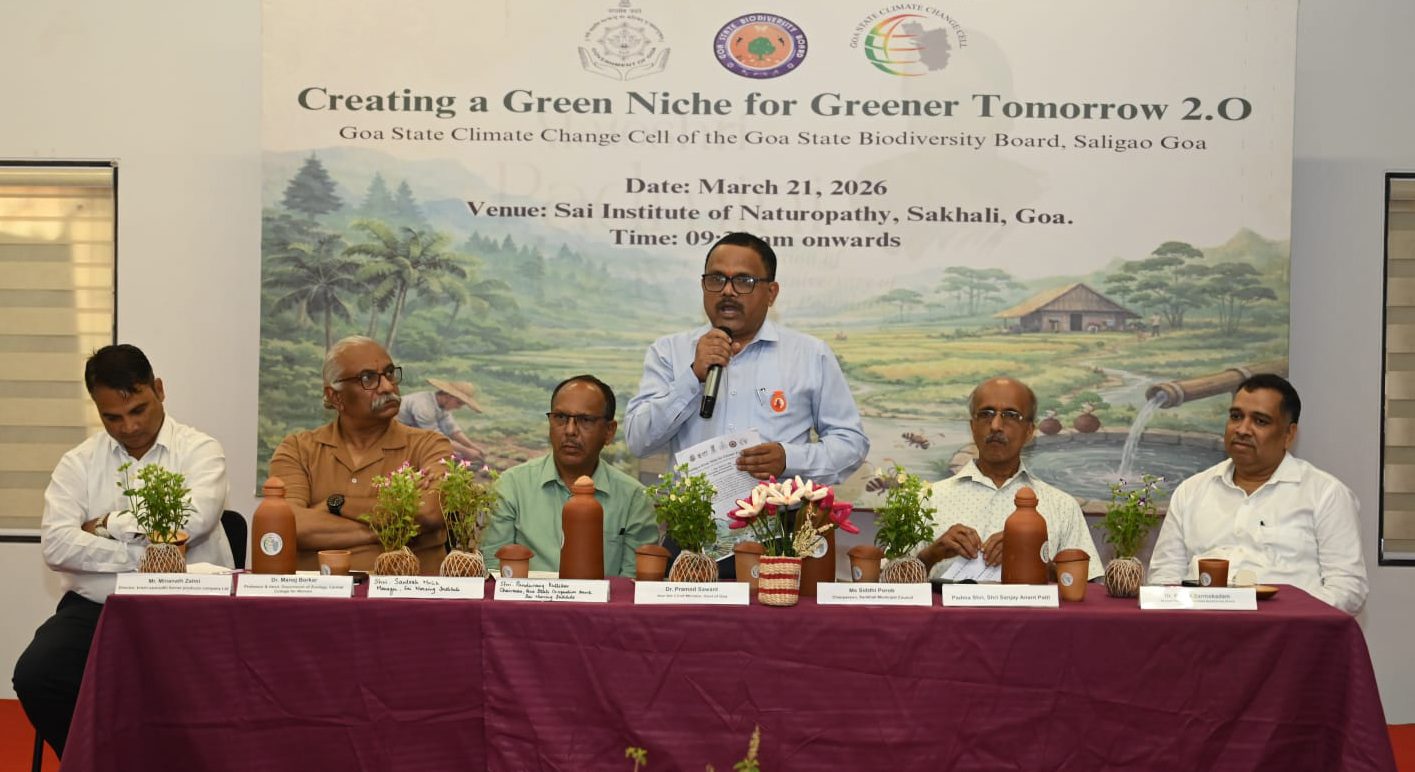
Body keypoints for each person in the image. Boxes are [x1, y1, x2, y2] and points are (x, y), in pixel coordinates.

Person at [14, 344, 232, 757]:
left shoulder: (200, 450)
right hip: (100, 606)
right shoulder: (78, 463)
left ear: (159, 390)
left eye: (138, 410)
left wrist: (106, 525)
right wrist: (148, 559)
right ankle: (96, 763)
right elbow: (57, 545)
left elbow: (192, 520)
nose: (129, 427)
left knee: (206, 690)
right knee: (38, 675)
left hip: (190, 606)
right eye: (112, 417)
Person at [623, 231, 869, 486]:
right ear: (703, 286)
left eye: (744, 281)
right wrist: (692, 377)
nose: (728, 291)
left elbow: (851, 443)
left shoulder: (810, 354)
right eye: (716, 279)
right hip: (692, 512)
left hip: (777, 512)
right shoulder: (669, 351)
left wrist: (790, 459)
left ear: (771, 293)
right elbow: (639, 441)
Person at [1148, 374, 1367, 613]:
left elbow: (1348, 589)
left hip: (1290, 631)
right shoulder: (1191, 491)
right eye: (1236, 416)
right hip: (1203, 629)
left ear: (1289, 434)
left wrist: (1288, 618)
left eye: (1260, 421)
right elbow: (1164, 578)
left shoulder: (1326, 494)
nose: (1242, 429)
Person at [268, 336, 452, 574]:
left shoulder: (430, 445)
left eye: (389, 374)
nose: (387, 387)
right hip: (318, 592)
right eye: (368, 378)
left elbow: (429, 512)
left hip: (407, 591)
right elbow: (286, 526)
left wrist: (337, 504)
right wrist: (395, 529)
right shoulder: (297, 449)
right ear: (335, 396)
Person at [917, 377, 1102, 580]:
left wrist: (1034, 559)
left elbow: (1086, 587)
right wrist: (930, 556)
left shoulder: (1062, 507)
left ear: (1029, 431)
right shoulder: (927, 500)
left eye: (1011, 415)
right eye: (986, 414)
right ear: (972, 427)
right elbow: (894, 582)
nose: (996, 425)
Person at [482, 375, 657, 577]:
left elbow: (633, 585)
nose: (570, 430)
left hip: (603, 600)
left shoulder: (634, 499)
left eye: (585, 420)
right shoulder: (512, 486)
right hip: (526, 598)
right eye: (561, 418)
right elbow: (494, 572)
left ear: (609, 432)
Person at [397, 378, 487, 463]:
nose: (459, 407)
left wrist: (472, 446)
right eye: (459, 403)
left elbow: (452, 430)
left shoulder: (442, 406)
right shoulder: (424, 406)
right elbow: (435, 437)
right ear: (448, 396)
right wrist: (466, 451)